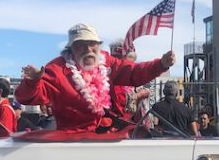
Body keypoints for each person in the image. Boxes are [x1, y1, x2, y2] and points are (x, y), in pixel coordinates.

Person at [16, 23, 174, 133]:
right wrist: (32, 82)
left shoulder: (107, 61)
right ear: (71, 49)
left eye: (92, 43)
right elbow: (28, 98)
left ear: (98, 45)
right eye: (81, 45)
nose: (88, 49)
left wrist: (160, 64)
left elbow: (133, 72)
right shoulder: (56, 69)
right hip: (73, 140)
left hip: (109, 134)